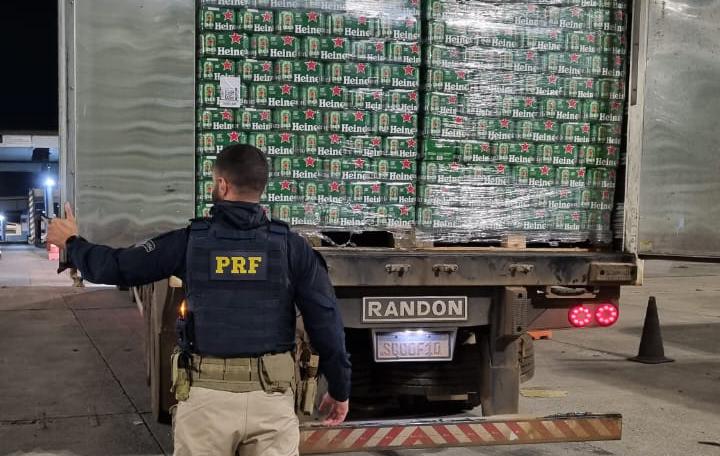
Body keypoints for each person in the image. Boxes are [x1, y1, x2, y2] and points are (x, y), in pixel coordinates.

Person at [47, 144, 351, 456]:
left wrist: (72, 242)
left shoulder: (190, 241)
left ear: (223, 184)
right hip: (272, 401)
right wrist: (340, 389)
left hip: (207, 402)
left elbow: (118, 267)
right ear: (261, 186)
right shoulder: (293, 248)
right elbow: (326, 322)